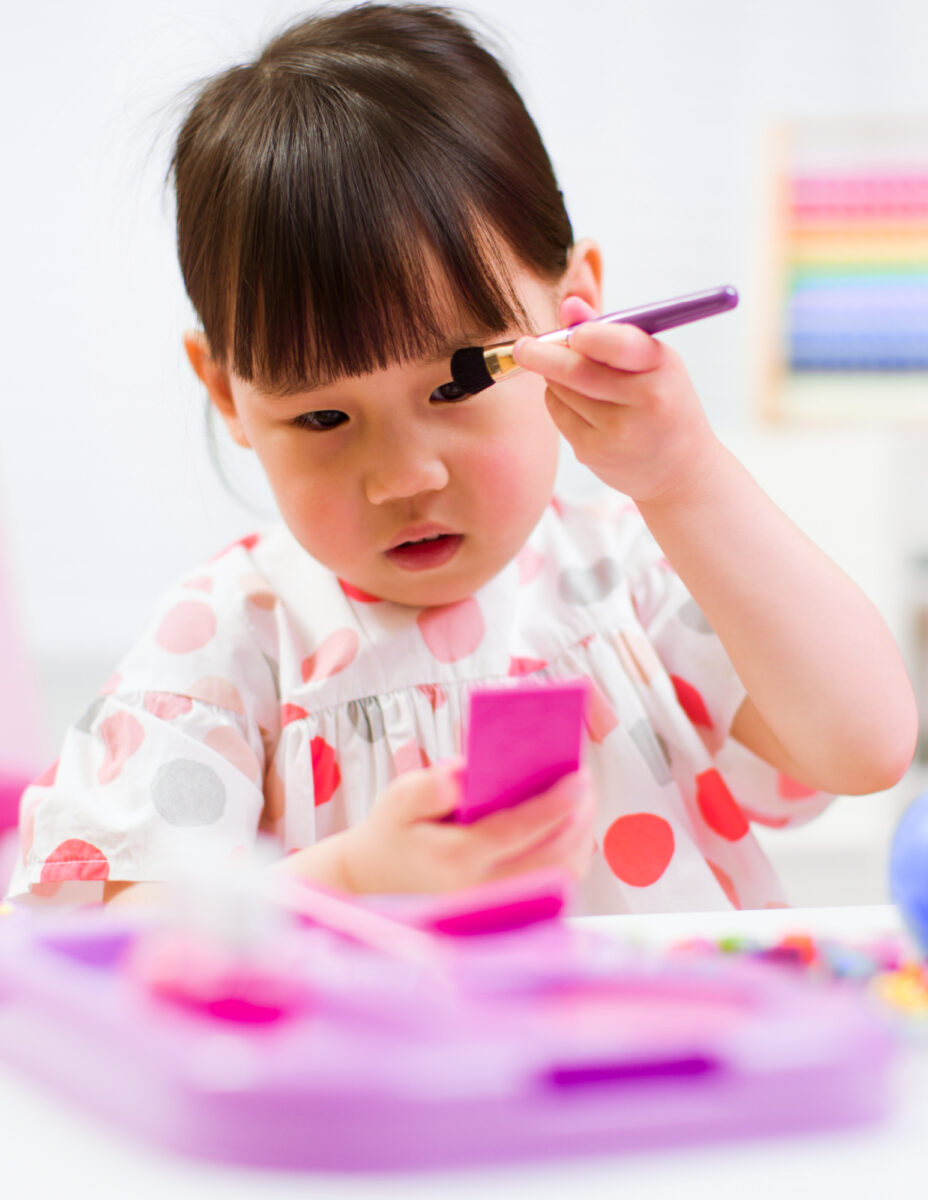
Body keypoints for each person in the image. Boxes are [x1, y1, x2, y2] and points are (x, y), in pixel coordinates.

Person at [6, 3, 917, 913]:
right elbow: (81, 930)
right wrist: (348, 882)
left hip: (669, 1052)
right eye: (323, 417)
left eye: (455, 386)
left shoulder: (632, 576)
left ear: (578, 313)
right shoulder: (232, 645)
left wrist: (688, 479)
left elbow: (866, 745)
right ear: (226, 393)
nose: (405, 476)